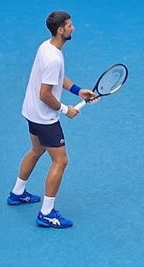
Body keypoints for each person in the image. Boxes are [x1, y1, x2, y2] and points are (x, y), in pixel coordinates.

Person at [10, 11, 96, 229]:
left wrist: (78, 91)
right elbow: (45, 94)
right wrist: (66, 109)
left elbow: (57, 80)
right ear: (60, 30)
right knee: (61, 160)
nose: (73, 28)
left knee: (36, 150)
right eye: (69, 25)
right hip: (44, 117)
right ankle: (46, 214)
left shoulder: (46, 47)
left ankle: (17, 192)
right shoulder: (53, 59)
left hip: (30, 112)